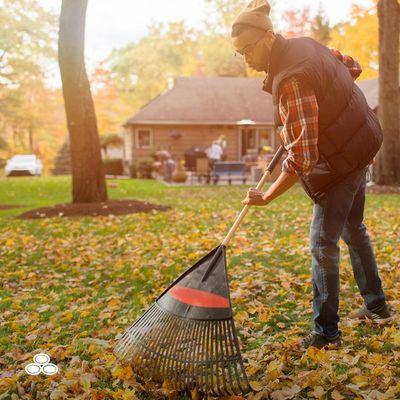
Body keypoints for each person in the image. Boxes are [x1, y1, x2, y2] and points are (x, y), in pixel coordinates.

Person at [232, 0, 392, 350]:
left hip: (343, 159)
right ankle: (377, 306)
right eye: (238, 53)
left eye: (247, 49)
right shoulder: (307, 44)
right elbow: (353, 65)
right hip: (363, 141)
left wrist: (268, 196)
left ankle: (326, 333)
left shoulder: (291, 80)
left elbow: (303, 157)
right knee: (353, 227)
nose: (245, 59)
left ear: (269, 37)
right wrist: (328, 91)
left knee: (323, 243)